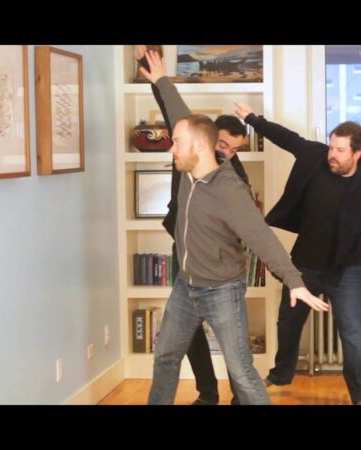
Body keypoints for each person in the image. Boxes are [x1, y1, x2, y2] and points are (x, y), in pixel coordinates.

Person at [140, 51, 329, 406]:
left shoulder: (231, 191)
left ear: (199, 146)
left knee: (241, 371)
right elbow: (178, 112)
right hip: (186, 285)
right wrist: (161, 80)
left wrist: (295, 281)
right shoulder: (190, 160)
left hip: (222, 290)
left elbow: (262, 238)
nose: (172, 148)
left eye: (176, 143)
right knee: (165, 357)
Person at [233, 102, 361, 405]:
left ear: (357, 153)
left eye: (339, 150)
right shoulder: (315, 157)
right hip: (303, 266)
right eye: (331, 146)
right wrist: (252, 119)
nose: (332, 154)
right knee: (288, 323)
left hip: (346, 272)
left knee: (354, 335)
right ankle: (281, 373)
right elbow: (286, 138)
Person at [136, 46, 255, 405]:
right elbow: (173, 110)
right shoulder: (186, 149)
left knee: (235, 350)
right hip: (185, 254)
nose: (229, 154)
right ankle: (208, 392)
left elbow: (251, 228)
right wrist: (154, 73)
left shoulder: (234, 177)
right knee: (182, 336)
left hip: (221, 270)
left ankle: (241, 397)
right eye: (225, 145)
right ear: (206, 140)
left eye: (236, 150)